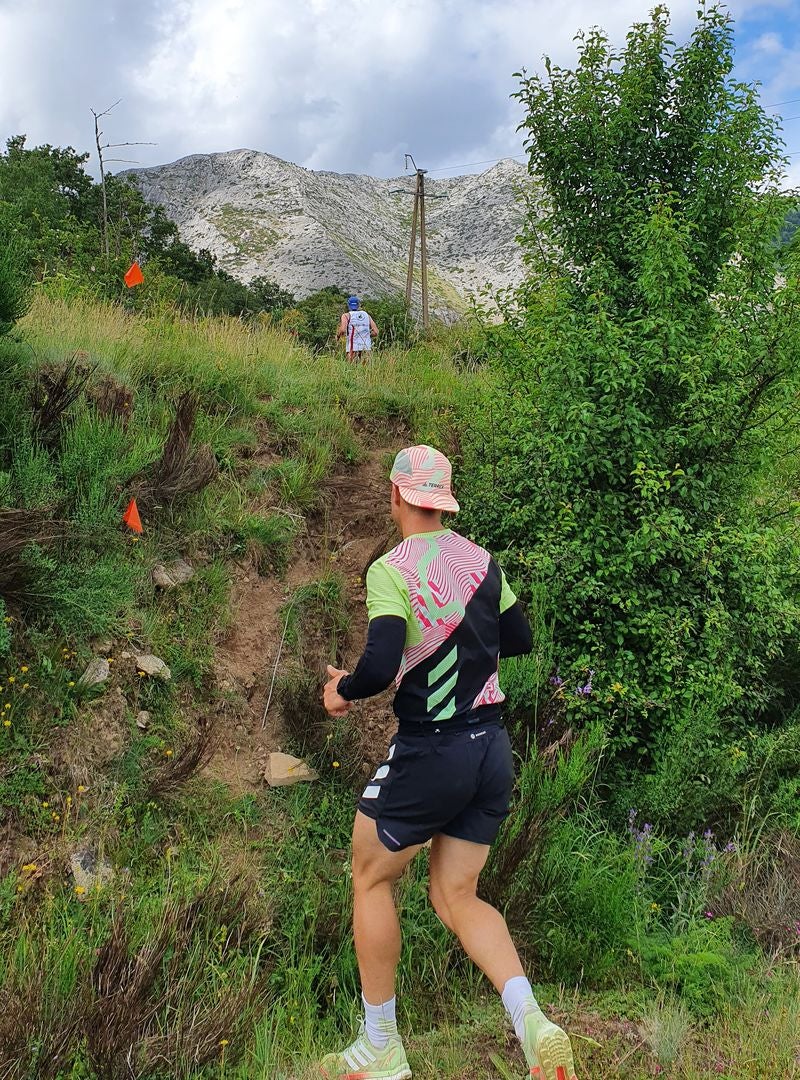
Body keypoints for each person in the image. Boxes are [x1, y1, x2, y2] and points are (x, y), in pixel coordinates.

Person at [320, 445, 577, 1080]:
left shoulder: (392, 569)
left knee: (371, 876)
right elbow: (517, 637)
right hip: (492, 749)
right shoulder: (483, 562)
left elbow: (379, 665)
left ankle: (381, 1045)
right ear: (445, 500)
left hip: (433, 750)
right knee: (457, 892)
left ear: (397, 498)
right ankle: (534, 1024)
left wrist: (341, 692)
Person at [337, 295, 378, 361]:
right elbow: (376, 332)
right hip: (366, 347)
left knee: (352, 369)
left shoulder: (346, 316)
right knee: (366, 370)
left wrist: (338, 336)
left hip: (353, 348)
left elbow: (342, 330)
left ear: (348, 305)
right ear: (358, 305)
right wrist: (366, 335)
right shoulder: (367, 315)